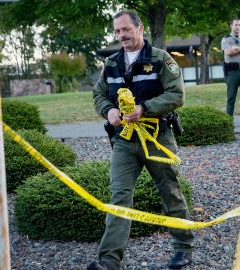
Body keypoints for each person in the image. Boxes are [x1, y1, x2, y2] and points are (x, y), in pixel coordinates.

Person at [89, 10, 194, 270]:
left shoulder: (161, 59)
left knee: (170, 193)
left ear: (140, 28)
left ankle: (183, 248)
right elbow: (98, 96)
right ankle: (109, 261)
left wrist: (144, 108)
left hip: (156, 137)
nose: (122, 35)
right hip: (124, 142)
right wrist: (109, 110)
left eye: (126, 29)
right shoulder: (111, 64)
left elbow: (177, 95)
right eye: (117, 31)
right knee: (119, 197)